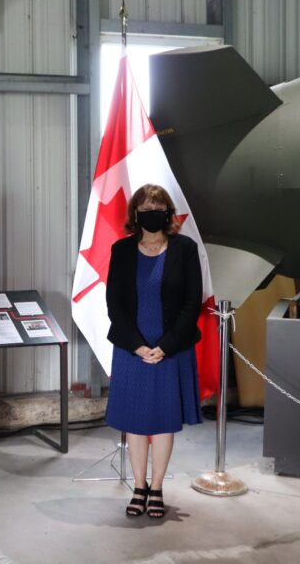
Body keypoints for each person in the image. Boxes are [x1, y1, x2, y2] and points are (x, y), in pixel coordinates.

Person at [104, 184, 203, 519]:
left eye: (157, 205)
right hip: (133, 350)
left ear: (168, 212)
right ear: (136, 214)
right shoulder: (121, 251)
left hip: (171, 349)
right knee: (134, 421)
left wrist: (165, 346)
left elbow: (192, 304)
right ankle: (139, 487)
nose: (152, 211)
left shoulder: (185, 249)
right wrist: (138, 346)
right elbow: (114, 305)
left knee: (162, 421)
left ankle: (157, 487)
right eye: (145, 206)